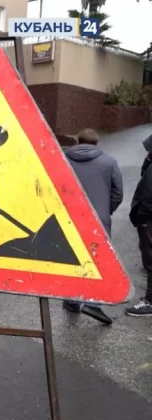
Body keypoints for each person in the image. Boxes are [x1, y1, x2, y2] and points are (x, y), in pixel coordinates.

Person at [62, 128, 122, 325]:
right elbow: (117, 193)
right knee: (98, 261)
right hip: (99, 220)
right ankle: (93, 303)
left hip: (69, 218)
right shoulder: (109, 162)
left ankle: (72, 300)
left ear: (78, 141)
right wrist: (105, 210)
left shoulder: (63, 159)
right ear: (97, 143)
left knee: (72, 259)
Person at [126, 133, 152, 317]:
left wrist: (141, 218)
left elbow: (148, 195)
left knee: (151, 259)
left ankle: (150, 301)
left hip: (149, 219)